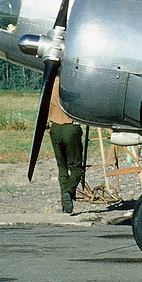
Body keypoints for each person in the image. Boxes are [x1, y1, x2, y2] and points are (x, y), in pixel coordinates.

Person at [48, 78, 84, 214]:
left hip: (55, 128)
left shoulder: (52, 84)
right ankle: (68, 192)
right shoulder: (74, 83)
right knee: (76, 168)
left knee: (62, 167)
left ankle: (65, 204)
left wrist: (48, 127)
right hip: (71, 127)